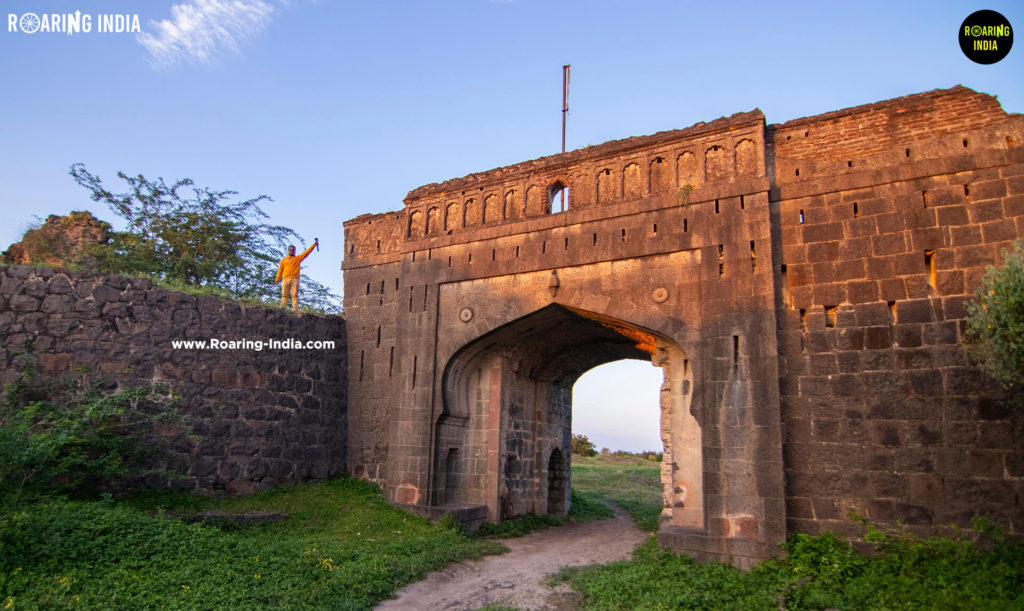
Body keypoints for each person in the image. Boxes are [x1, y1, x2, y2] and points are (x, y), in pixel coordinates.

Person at [275, 240, 317, 310]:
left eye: (293, 250)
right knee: (284, 295)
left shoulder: (297, 258)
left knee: (294, 295)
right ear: (288, 251)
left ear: (295, 251)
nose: (291, 251)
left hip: (295, 279)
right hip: (285, 279)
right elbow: (280, 270)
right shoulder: (284, 260)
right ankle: (282, 308)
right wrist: (277, 278)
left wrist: (314, 245)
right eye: (290, 250)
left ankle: (294, 309)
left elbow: (306, 253)